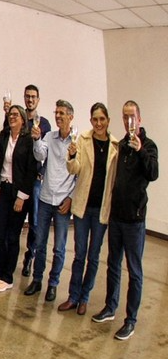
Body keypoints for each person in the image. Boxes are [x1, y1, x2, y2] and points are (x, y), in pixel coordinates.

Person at [93, 101, 158, 340]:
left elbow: (153, 173)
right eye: (125, 117)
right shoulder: (120, 145)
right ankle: (111, 307)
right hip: (117, 217)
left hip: (134, 220)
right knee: (112, 264)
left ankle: (130, 319)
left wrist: (140, 150)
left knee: (134, 270)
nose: (128, 121)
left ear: (139, 118)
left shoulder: (148, 146)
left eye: (132, 117)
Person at [59, 103, 117, 315]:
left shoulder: (115, 146)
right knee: (79, 254)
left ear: (108, 121)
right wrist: (72, 156)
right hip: (83, 207)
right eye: (95, 119)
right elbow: (74, 169)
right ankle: (73, 296)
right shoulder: (82, 139)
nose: (99, 123)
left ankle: (85, 297)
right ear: (91, 121)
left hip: (102, 209)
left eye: (102, 119)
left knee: (93, 256)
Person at [0, 105, 37, 292]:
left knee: (12, 236)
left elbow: (31, 170)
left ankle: (8, 276)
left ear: (23, 119)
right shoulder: (5, 135)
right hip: (5, 188)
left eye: (16, 115)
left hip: (20, 193)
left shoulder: (29, 140)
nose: (12, 117)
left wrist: (22, 197)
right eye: (10, 114)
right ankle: (0, 271)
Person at [24, 100, 76, 301]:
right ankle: (37, 280)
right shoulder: (49, 137)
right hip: (45, 198)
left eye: (62, 113)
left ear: (71, 117)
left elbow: (78, 172)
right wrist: (37, 140)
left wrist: (71, 198)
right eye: (57, 113)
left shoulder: (76, 142)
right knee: (39, 242)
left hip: (63, 201)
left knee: (59, 248)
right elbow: (40, 155)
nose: (59, 116)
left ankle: (53, 284)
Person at [16, 85, 52, 277]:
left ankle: (30, 257)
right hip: (18, 180)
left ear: (38, 100)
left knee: (35, 224)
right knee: (15, 221)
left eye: (33, 97)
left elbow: (44, 153)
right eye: (27, 96)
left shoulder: (43, 124)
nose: (30, 100)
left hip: (36, 181)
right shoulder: (18, 121)